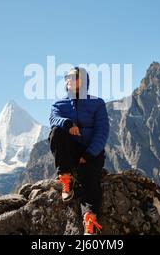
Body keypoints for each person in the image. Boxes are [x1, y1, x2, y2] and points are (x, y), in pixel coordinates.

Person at [48, 66, 109, 235]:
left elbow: (102, 131)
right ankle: (66, 179)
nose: (69, 79)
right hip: (70, 151)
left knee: (90, 178)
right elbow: (54, 119)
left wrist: (89, 154)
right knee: (56, 132)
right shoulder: (58, 104)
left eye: (74, 77)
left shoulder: (97, 103)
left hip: (91, 151)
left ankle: (89, 219)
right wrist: (67, 124)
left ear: (84, 81)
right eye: (66, 77)